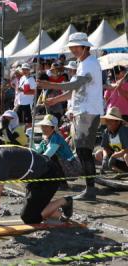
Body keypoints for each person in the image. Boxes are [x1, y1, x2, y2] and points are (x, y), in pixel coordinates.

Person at [0, 133, 73, 232]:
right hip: (34, 178)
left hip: (49, 175)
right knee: (34, 208)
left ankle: (65, 201)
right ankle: (60, 215)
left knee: (29, 218)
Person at [38, 32, 104, 201]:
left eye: (76, 47)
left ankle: (90, 190)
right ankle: (90, 188)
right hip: (82, 111)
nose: (73, 50)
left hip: (88, 111)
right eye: (72, 47)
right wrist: (55, 100)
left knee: (84, 150)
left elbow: (75, 84)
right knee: (82, 150)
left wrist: (50, 84)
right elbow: (74, 91)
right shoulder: (83, 63)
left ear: (85, 47)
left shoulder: (90, 63)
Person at [95, 107, 128, 173]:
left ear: (118, 122)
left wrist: (114, 156)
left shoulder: (123, 130)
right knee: (98, 154)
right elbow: (105, 147)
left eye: (111, 120)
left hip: (124, 157)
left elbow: (127, 149)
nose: (108, 123)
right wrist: (105, 157)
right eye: (107, 120)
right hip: (118, 159)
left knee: (126, 155)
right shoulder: (106, 131)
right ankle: (117, 170)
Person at [16, 63, 36, 129]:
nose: (24, 71)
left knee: (28, 121)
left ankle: (29, 135)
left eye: (26, 69)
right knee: (20, 121)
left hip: (27, 103)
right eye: (23, 69)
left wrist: (23, 91)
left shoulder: (31, 79)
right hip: (20, 102)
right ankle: (23, 134)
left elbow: (34, 92)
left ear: (29, 70)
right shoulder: (22, 78)